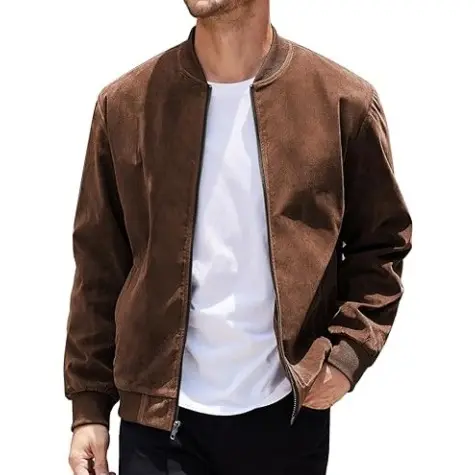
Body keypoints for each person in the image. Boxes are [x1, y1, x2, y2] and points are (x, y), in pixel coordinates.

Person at [65, 1, 412, 474]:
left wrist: (346, 355)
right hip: (158, 423)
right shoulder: (127, 105)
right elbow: (99, 264)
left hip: (286, 418)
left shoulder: (340, 101)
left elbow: (382, 244)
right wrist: (89, 407)